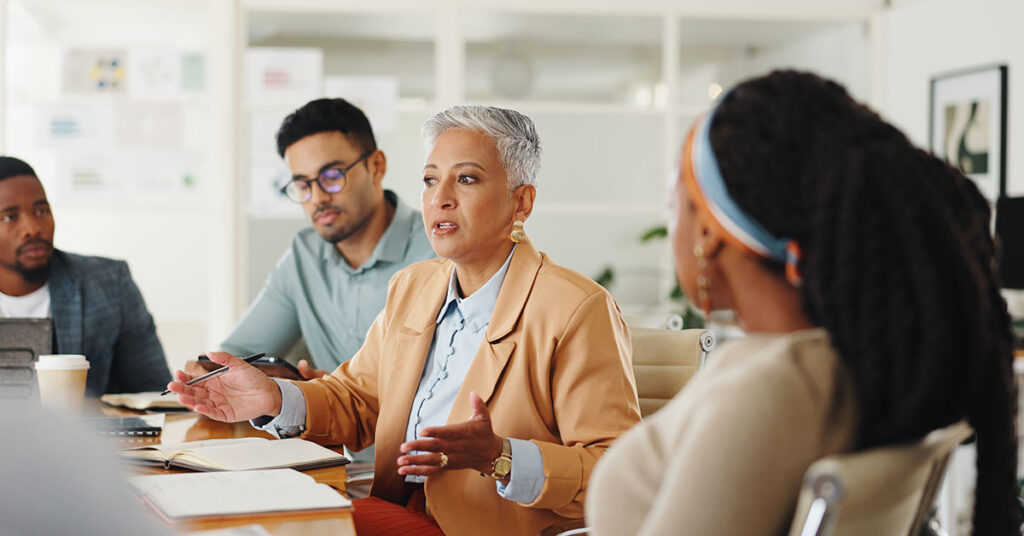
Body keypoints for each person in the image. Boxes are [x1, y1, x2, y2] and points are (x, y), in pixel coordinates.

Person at [168, 105, 642, 536]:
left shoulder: (577, 307)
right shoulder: (414, 286)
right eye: (431, 180)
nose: (441, 198)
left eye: (468, 179)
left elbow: (617, 470)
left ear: (522, 202)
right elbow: (356, 401)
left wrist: (499, 456)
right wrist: (274, 397)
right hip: (397, 507)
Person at [586, 70, 1022, 535]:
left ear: (709, 234)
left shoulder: (769, 392)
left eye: (675, 205)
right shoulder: (851, 363)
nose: (670, 225)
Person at [209, 98, 434, 379]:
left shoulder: (439, 252)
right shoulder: (304, 256)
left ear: (376, 166)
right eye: (302, 185)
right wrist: (207, 373)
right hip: (326, 422)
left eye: (332, 176)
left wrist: (333, 396)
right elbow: (237, 355)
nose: (318, 198)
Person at [0, 156, 170, 396]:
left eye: (41, 210)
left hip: (87, 432)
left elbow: (155, 392)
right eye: (9, 216)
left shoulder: (110, 283)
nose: (33, 228)